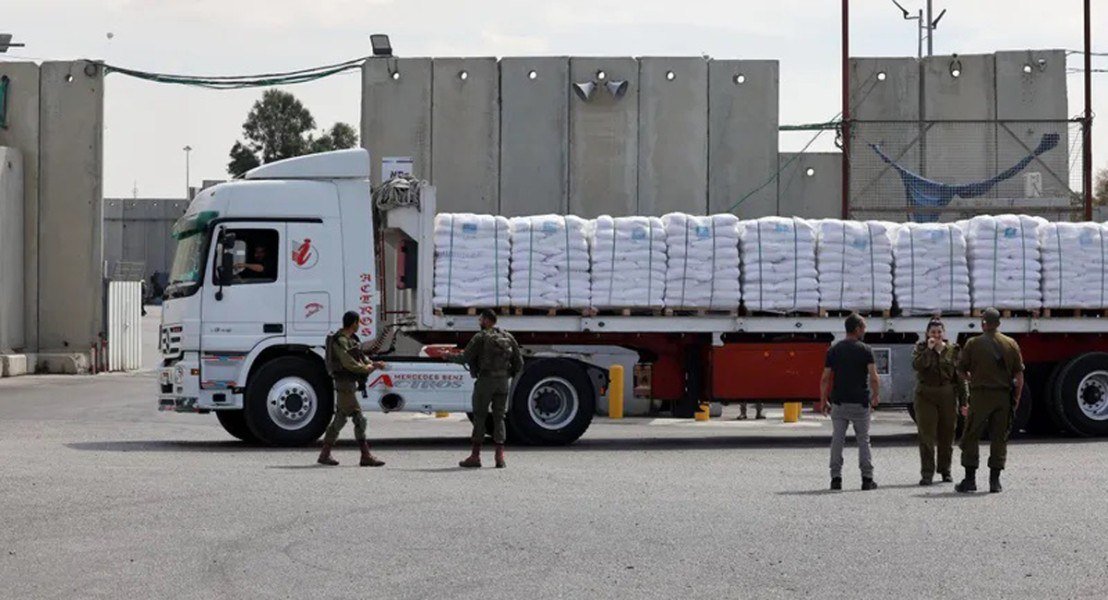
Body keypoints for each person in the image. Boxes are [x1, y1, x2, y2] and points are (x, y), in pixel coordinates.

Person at [955, 307, 1025, 494]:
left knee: (971, 435)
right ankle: (995, 481)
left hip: (980, 396)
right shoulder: (1011, 344)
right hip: (1003, 397)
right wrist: (1016, 398)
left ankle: (970, 480)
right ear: (999, 323)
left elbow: (960, 370)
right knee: (999, 437)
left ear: (983, 323)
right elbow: (1019, 376)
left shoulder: (973, 343)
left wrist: (971, 379)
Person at [448, 309, 523, 469]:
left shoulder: (480, 337)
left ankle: (475, 457)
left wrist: (447, 356)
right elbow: (519, 363)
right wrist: (506, 375)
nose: (479, 322)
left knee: (480, 416)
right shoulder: (508, 337)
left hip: (485, 381)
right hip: (502, 382)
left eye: (481, 319)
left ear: (487, 321)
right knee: (499, 417)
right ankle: (499, 458)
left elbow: (464, 357)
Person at [818, 313, 880, 491]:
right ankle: (867, 479)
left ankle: (836, 479)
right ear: (857, 329)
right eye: (864, 327)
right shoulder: (866, 350)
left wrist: (823, 400)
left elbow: (825, 378)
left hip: (839, 402)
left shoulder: (834, 350)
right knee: (863, 440)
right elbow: (874, 377)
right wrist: (875, 396)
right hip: (860, 403)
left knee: (837, 440)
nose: (865, 330)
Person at [317, 310, 386, 467]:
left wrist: (373, 364)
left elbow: (360, 357)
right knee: (359, 419)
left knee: (341, 418)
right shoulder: (340, 340)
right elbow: (348, 362)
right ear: (354, 323)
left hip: (349, 384)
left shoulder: (350, 339)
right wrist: (368, 368)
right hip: (344, 384)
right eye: (358, 322)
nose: (359, 325)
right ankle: (365, 455)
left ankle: (325, 454)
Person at [912, 318, 966, 486]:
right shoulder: (920, 349)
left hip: (947, 396)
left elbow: (960, 378)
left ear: (944, 333)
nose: (936, 335)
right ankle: (927, 473)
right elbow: (918, 366)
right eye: (933, 332)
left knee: (947, 434)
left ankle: (945, 470)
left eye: (939, 332)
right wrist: (929, 350)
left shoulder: (953, 350)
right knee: (926, 436)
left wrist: (964, 401)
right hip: (926, 395)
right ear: (927, 334)